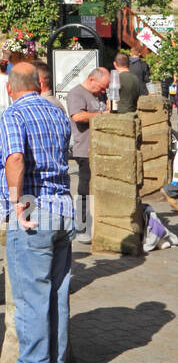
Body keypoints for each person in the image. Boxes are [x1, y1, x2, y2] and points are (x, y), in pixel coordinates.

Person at [0, 63, 75, 363]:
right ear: (38, 85)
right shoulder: (56, 112)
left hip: (35, 210)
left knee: (30, 296)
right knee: (57, 294)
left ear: (10, 89)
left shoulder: (14, 114)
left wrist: (15, 204)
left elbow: (15, 159)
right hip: (64, 208)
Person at [65, 66, 110, 245]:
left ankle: (95, 222)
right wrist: (102, 115)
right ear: (92, 79)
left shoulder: (99, 94)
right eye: (101, 87)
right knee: (85, 186)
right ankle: (81, 225)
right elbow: (77, 117)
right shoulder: (76, 93)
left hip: (101, 148)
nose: (103, 91)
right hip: (85, 149)